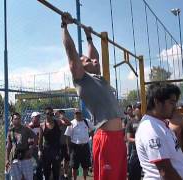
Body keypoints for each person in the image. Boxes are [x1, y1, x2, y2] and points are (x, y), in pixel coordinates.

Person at [61, 13, 127, 180]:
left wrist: (89, 37)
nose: (93, 61)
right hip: (107, 139)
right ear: (80, 66)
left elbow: (95, 57)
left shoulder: (99, 78)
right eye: (87, 60)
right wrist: (64, 26)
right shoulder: (82, 79)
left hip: (118, 138)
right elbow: (71, 53)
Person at [135, 83, 183, 179]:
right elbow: (165, 171)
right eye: (171, 103)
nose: (175, 107)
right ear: (157, 102)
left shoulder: (160, 124)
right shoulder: (150, 129)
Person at [6, 113, 37, 180]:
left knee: (28, 178)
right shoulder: (10, 131)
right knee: (15, 178)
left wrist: (31, 149)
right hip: (14, 158)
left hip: (25, 158)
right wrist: (7, 159)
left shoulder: (25, 129)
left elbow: (35, 137)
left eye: (19, 118)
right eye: (15, 119)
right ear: (12, 120)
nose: (17, 120)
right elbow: (8, 146)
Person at [64, 109, 94, 180]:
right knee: (74, 166)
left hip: (85, 146)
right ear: (74, 115)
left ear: (81, 114)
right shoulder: (71, 123)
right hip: (75, 147)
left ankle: (85, 178)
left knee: (85, 166)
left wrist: (88, 136)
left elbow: (92, 130)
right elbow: (67, 136)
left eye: (79, 113)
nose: (78, 115)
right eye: (76, 114)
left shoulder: (86, 121)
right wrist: (68, 149)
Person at [38, 107, 62, 180]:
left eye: (51, 114)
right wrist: (40, 150)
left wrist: (60, 116)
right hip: (47, 150)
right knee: (46, 171)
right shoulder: (42, 125)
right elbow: (40, 140)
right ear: (45, 114)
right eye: (47, 114)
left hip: (56, 150)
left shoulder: (57, 122)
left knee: (56, 171)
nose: (49, 115)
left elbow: (69, 123)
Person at [126, 103, 142, 180]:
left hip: (148, 151)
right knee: (134, 174)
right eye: (138, 107)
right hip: (136, 151)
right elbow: (128, 138)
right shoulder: (131, 122)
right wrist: (138, 140)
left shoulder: (147, 121)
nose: (140, 109)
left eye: (140, 107)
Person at [55, 109, 71, 179]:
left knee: (66, 159)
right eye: (60, 113)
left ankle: (65, 174)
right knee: (58, 160)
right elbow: (60, 123)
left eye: (62, 113)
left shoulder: (66, 120)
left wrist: (63, 118)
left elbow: (69, 123)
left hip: (66, 144)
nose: (62, 114)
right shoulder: (56, 121)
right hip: (58, 144)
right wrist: (60, 118)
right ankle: (59, 174)